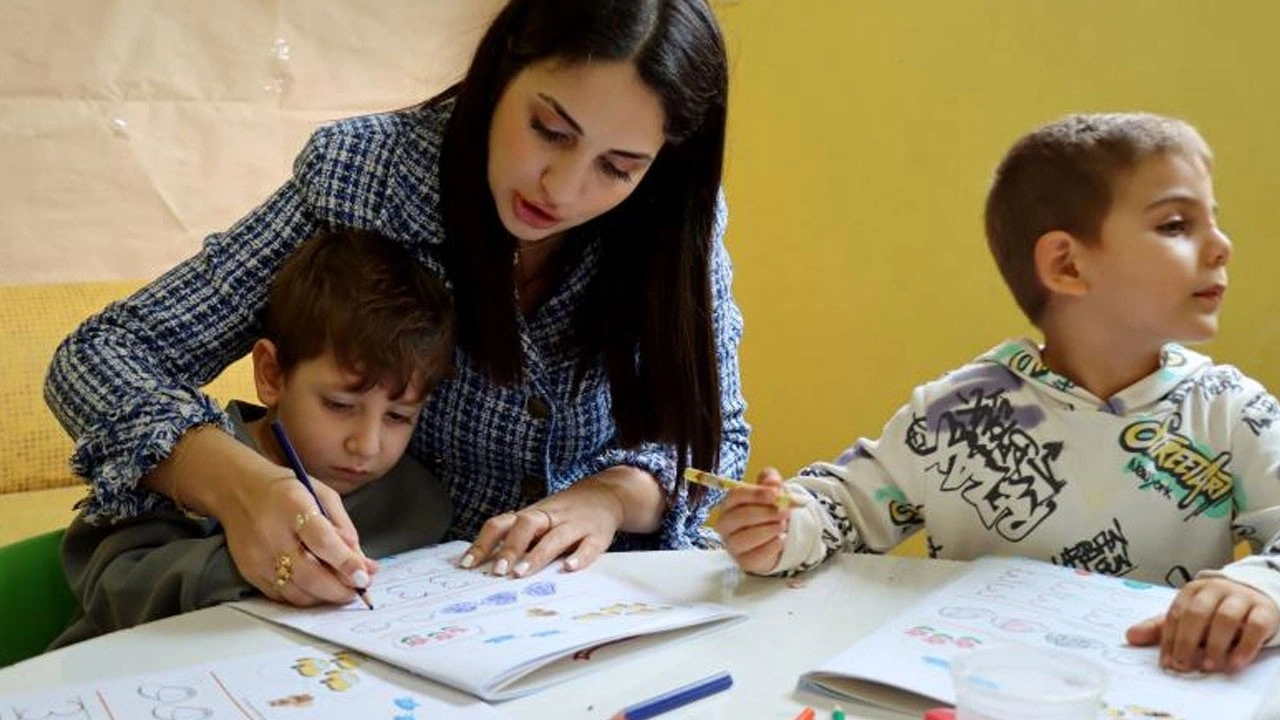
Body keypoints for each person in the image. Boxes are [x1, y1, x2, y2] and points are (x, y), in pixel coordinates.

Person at [45, 0, 747, 610]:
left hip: (599, 604)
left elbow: (714, 445)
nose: (562, 189)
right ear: (505, 67)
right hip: (396, 608)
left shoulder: (673, 228)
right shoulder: (369, 180)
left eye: (617, 167)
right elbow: (100, 357)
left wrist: (607, 498)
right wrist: (240, 487)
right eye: (550, 131)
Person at [714, 113, 1280, 674]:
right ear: (1066, 264)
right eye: (1177, 225)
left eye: (1215, 220)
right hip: (973, 691)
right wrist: (783, 528)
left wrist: (1259, 589)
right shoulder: (958, 413)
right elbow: (843, 508)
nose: (1223, 246)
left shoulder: (1232, 412)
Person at [50, 228, 455, 646]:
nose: (367, 446)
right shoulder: (175, 467)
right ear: (271, 374)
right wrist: (264, 567)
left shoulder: (417, 499)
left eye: (398, 416)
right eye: (339, 405)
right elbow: (115, 591)